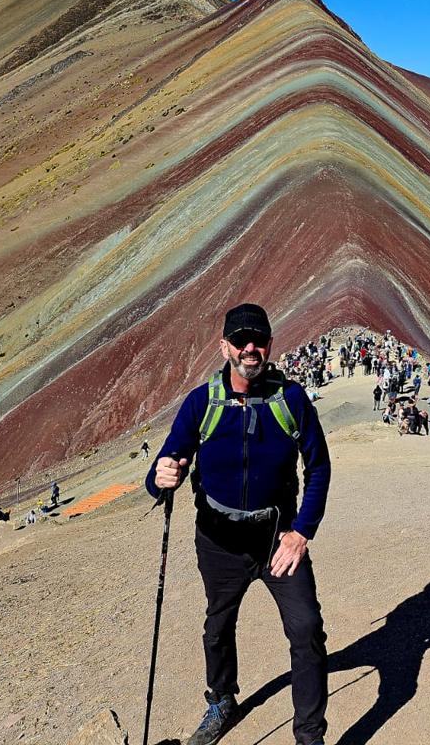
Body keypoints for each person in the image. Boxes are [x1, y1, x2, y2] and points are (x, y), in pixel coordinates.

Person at [148, 303, 331, 745]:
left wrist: (301, 531)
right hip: (218, 540)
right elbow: (167, 463)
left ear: (270, 344)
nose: (252, 348)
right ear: (225, 346)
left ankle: (310, 737)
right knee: (218, 625)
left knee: (306, 629)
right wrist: (159, 478)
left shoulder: (291, 399)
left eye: (260, 340)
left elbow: (319, 466)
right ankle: (221, 700)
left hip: (275, 538)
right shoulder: (201, 403)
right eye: (242, 340)